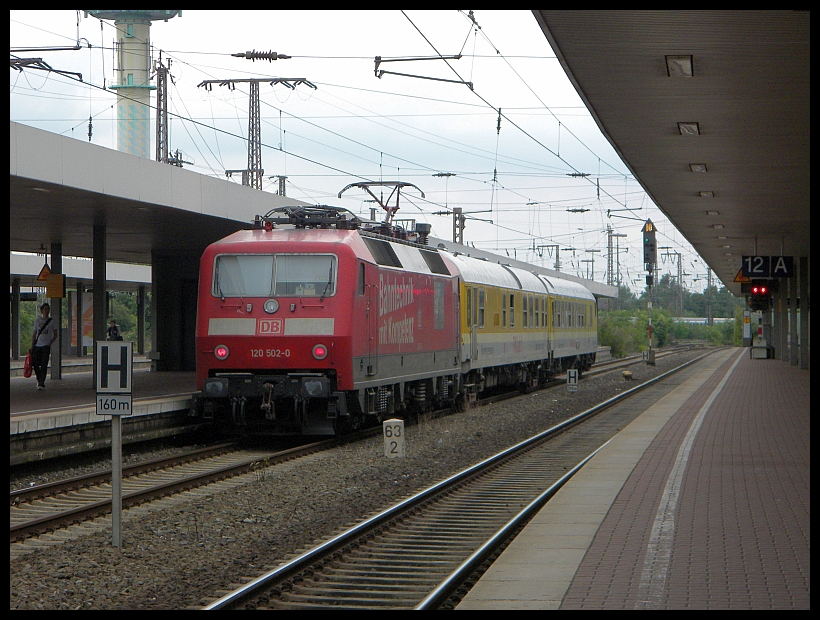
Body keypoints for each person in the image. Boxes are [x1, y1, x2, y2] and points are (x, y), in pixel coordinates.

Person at [31, 302, 58, 390]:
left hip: (46, 346)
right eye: (45, 309)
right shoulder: (37, 321)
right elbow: (34, 334)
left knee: (44, 364)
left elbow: (55, 334)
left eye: (48, 309)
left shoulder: (52, 321)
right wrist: (32, 346)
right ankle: (39, 379)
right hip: (37, 345)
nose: (46, 311)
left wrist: (50, 342)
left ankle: (41, 382)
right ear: (41, 310)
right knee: (35, 364)